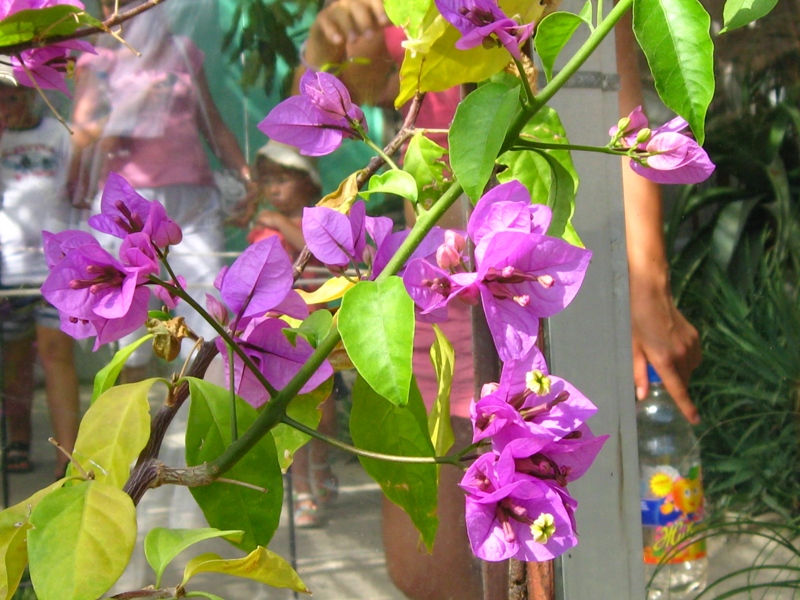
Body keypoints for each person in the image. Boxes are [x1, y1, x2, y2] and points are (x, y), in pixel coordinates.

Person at [298, 1, 703, 598]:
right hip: (437, 299)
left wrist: (647, 288)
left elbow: (612, 94)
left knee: (546, 568)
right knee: (425, 568)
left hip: (540, 294)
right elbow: (376, 87)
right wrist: (326, 55)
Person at [69, 0, 254, 378]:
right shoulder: (99, 59)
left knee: (207, 310)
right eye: (115, 3)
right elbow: (81, 133)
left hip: (192, 197)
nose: (127, 9)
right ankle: (138, 425)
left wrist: (248, 176)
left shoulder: (182, 51)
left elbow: (212, 123)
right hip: (130, 203)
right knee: (127, 319)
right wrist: (131, 108)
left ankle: (205, 422)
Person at [246, 141, 340, 528]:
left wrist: (283, 224)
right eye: (268, 181)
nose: (274, 189)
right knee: (291, 416)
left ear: (307, 182)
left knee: (325, 413)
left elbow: (325, 253)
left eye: (283, 179)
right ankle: (303, 488)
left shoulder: (320, 219)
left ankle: (322, 471)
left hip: (318, 330)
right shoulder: (263, 228)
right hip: (279, 336)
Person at [0, 66, 81, 478]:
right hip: (8, 270)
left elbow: (76, 190)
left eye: (11, 97)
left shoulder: (56, 134)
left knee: (55, 355)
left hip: (55, 267)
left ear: (30, 95)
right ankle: (18, 438)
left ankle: (68, 457)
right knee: (13, 360)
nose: (5, 107)